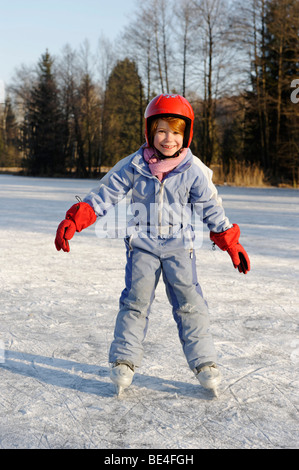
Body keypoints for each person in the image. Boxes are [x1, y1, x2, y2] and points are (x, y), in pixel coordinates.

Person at [55, 94, 250, 397]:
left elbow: (211, 207)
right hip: (142, 246)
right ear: (149, 131)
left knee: (190, 302)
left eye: (175, 132)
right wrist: (75, 220)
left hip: (179, 247)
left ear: (186, 134)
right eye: (161, 130)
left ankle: (204, 362)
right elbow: (103, 194)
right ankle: (124, 359)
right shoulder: (134, 164)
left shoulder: (193, 169)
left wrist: (230, 242)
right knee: (135, 301)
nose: (168, 138)